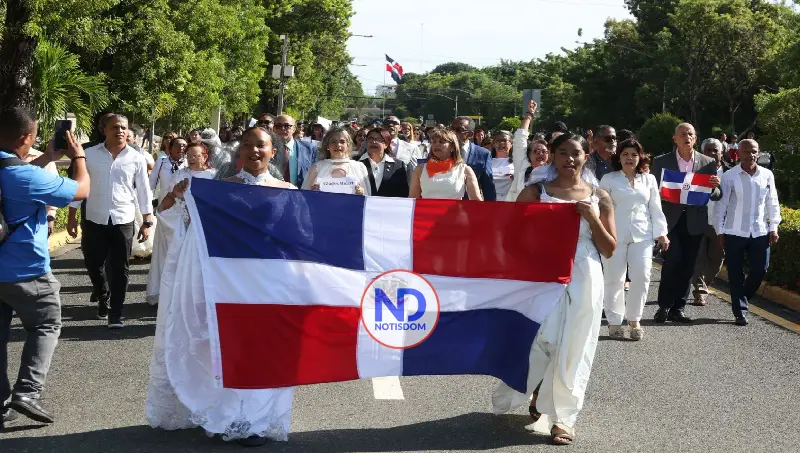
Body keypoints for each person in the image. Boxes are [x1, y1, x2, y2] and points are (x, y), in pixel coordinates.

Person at [146, 127, 295, 446]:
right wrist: (184, 197)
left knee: (264, 350)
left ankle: (256, 421)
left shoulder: (288, 190)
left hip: (269, 285)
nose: (254, 150)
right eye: (247, 145)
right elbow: (196, 229)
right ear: (239, 152)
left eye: (261, 145)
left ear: (273, 151)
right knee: (231, 350)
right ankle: (228, 415)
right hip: (230, 283)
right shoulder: (221, 189)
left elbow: (296, 237)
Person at [493, 132, 616, 445]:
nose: (569, 159)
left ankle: (563, 418)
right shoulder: (536, 192)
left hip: (585, 273)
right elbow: (510, 237)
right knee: (542, 337)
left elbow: (609, 248)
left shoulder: (599, 197)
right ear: (552, 155)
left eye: (576, 153)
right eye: (562, 152)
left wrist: (592, 218)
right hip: (543, 273)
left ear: (586, 156)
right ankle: (533, 390)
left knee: (576, 345)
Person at [0, 107, 89, 427]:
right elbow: (81, 190)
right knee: (46, 325)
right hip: (27, 271)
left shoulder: (19, 171)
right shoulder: (27, 178)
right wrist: (78, 157)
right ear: (26, 138)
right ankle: (28, 391)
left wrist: (47, 156)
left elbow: (14, 174)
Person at [66, 114, 154, 329]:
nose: (120, 131)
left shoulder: (136, 158)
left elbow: (144, 190)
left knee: (121, 267)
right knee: (93, 263)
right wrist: (71, 215)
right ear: (105, 130)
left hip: (123, 219)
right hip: (94, 217)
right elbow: (79, 185)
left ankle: (116, 313)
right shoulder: (89, 155)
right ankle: (102, 291)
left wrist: (147, 220)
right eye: (115, 127)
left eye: (123, 127)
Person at [650, 123, 721, 323]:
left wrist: (715, 187)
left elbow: (715, 195)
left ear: (695, 138)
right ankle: (664, 306)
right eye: (682, 134)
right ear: (675, 139)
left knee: (689, 265)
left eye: (690, 134)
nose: (687, 137)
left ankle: (678, 309)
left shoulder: (707, 162)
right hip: (670, 221)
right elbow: (652, 191)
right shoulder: (661, 161)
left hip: (695, 221)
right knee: (672, 261)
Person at [599, 139, 669, 341]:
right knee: (614, 279)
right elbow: (600, 208)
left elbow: (655, 207)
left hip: (642, 235)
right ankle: (614, 322)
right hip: (614, 236)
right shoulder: (608, 179)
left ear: (640, 158)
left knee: (642, 276)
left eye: (633, 155)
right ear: (619, 157)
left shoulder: (649, 179)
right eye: (625, 154)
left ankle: (634, 320)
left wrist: (661, 233)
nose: (629, 158)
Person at [713, 139, 781, 326]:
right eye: (746, 151)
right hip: (734, 231)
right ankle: (740, 312)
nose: (750, 155)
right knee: (735, 273)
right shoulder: (729, 176)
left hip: (760, 231)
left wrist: (774, 227)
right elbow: (721, 205)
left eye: (753, 151)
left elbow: (772, 202)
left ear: (758, 153)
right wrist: (719, 231)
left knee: (761, 268)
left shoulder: (767, 175)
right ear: (738, 154)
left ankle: (741, 297)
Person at [145, 143, 216, 305]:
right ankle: (177, 297)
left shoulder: (213, 176)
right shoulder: (180, 174)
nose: (191, 159)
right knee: (179, 260)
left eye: (195, 155)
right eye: (188, 155)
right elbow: (171, 196)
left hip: (205, 226)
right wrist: (160, 209)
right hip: (183, 223)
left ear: (205, 157)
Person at [691, 138, 726, 306]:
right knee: (697, 258)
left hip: (720, 224)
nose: (712, 153)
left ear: (721, 153)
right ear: (702, 152)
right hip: (698, 221)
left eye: (715, 150)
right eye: (708, 150)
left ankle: (704, 284)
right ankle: (699, 291)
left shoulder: (730, 174)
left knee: (717, 259)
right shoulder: (695, 170)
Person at [409, 128, 482, 200]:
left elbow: (476, 201)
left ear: (452, 147)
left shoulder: (464, 170)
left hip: (455, 208)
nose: (436, 144)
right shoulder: (420, 169)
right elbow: (412, 199)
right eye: (434, 142)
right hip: (427, 208)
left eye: (441, 142)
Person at [303, 128, 368, 195]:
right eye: (333, 142)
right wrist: (313, 192)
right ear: (327, 145)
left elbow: (368, 196)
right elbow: (304, 196)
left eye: (342, 142)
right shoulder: (316, 168)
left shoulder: (359, 167)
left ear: (347, 145)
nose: (338, 145)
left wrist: (361, 193)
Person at [450, 116, 496, 200]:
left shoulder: (483, 154)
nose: (453, 133)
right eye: (451, 129)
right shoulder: (440, 151)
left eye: (458, 130)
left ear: (470, 134)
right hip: (446, 203)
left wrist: (490, 206)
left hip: (471, 204)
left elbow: (488, 186)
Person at [359, 128, 412, 197]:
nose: (373, 142)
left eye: (378, 139)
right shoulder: (356, 163)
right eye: (370, 139)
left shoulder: (398, 165)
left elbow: (403, 193)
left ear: (386, 144)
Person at [271, 115, 316, 188]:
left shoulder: (309, 149)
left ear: (294, 128)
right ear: (273, 129)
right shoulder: (267, 149)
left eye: (287, 126)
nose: (282, 129)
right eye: (278, 126)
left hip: (301, 193)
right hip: (272, 192)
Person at [490, 130, 515, 200]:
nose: (501, 143)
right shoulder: (487, 162)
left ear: (511, 144)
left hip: (510, 201)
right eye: (498, 141)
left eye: (504, 140)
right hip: (490, 201)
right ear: (493, 144)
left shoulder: (516, 163)